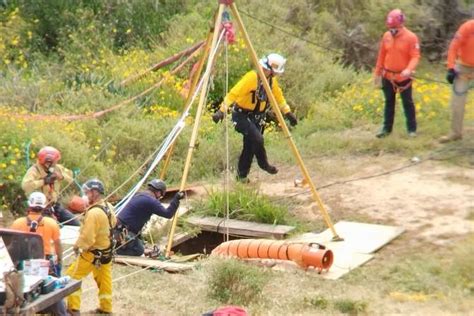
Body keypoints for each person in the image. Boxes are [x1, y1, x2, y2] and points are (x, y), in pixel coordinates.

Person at [212, 53, 298, 181]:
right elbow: (233, 94)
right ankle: (264, 164)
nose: (277, 74)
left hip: (257, 117)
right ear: (270, 69)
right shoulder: (251, 78)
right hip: (241, 115)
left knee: (250, 146)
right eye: (276, 71)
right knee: (257, 139)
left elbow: (279, 98)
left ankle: (241, 177)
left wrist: (288, 113)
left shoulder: (271, 81)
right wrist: (222, 111)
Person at [11, 191, 66, 315]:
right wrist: (60, 262)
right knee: (55, 290)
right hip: (46, 263)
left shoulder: (17, 223)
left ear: (29, 206)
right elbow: (58, 245)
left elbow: (11, 246)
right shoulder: (51, 223)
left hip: (23, 264)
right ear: (44, 207)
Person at [66, 179, 116, 315]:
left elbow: (87, 237)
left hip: (92, 254)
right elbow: (113, 225)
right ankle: (106, 308)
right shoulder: (108, 207)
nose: (85, 195)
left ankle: (73, 308)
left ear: (94, 193)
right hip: (106, 253)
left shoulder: (94, 213)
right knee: (105, 281)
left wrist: (77, 246)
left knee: (71, 277)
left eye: (87, 192)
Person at [374, 9, 420, 138]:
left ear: (401, 24)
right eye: (390, 28)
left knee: (408, 103)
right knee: (389, 102)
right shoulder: (386, 36)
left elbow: (415, 56)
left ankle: (412, 130)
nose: (392, 31)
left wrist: (409, 69)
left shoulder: (411, 37)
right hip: (387, 76)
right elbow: (381, 56)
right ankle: (386, 130)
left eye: (395, 28)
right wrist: (377, 74)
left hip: (404, 77)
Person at [115, 179, 185, 256]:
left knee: (141, 244)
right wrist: (176, 199)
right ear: (158, 192)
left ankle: (118, 246)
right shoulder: (151, 201)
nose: (159, 198)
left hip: (119, 229)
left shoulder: (139, 195)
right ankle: (116, 251)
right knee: (139, 250)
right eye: (160, 195)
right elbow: (168, 214)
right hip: (123, 233)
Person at [21, 146, 80, 226]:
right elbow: (26, 186)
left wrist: (61, 176)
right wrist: (44, 181)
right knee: (53, 226)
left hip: (55, 205)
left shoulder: (57, 168)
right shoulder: (34, 170)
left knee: (75, 223)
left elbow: (71, 178)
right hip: (40, 208)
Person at [439, 19, 474, 143]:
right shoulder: (466, 28)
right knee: (457, 102)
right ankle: (455, 133)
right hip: (463, 67)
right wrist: (450, 68)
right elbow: (453, 47)